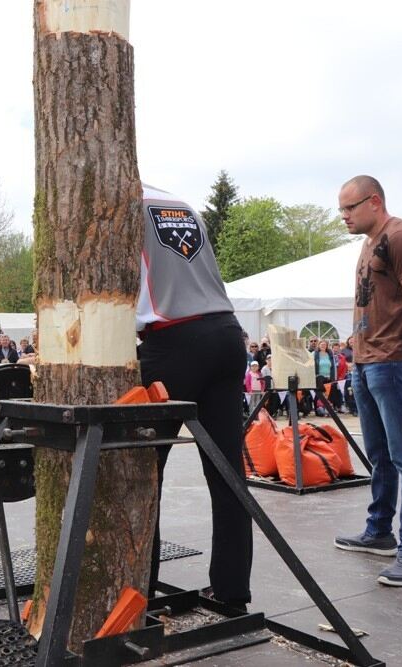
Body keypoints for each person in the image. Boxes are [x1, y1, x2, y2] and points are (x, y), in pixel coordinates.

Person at [135, 185, 251, 610]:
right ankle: (232, 589)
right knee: (228, 473)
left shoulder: (119, 205)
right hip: (225, 332)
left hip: (172, 340)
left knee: (143, 474)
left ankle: (137, 593)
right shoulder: (180, 203)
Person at [333, 175, 402, 587]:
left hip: (393, 360)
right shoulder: (369, 241)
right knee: (379, 454)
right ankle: (379, 531)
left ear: (374, 201)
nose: (344, 216)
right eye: (341, 209)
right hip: (366, 360)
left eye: (350, 207)